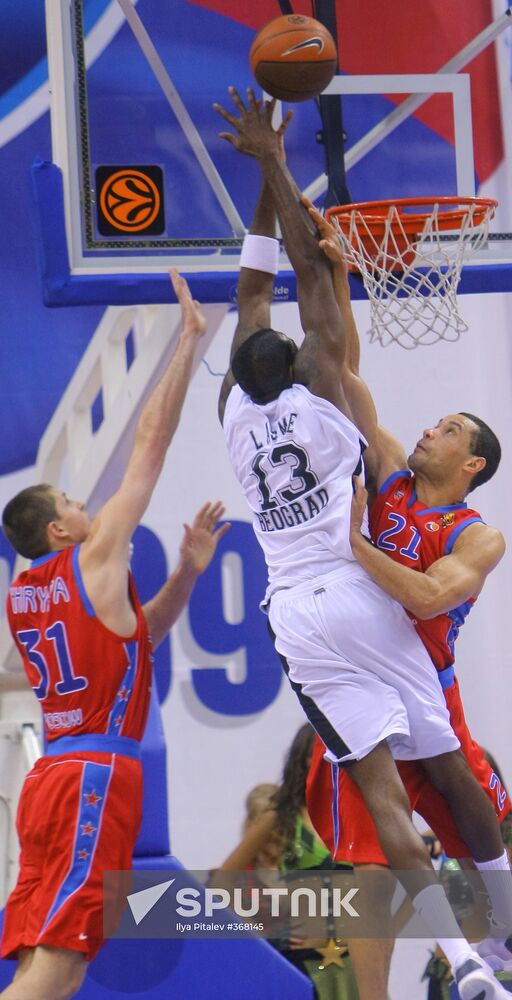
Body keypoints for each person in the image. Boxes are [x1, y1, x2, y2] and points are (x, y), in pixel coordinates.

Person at [214, 85, 511, 1000]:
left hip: (305, 613)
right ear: (307, 375)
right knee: (392, 825)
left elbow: (261, 289)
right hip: (357, 601)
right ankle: (459, 965)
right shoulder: (357, 435)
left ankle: (480, 955)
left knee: (434, 793)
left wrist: (267, 174)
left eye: (454, 427)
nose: (432, 429)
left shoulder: (230, 414)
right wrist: (279, 175)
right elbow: (315, 311)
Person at [298, 202, 512, 999]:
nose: (431, 429)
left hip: (427, 678)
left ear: (474, 463)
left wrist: (354, 546)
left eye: (450, 428)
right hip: (360, 677)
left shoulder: (477, 535)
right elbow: (347, 376)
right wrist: (342, 278)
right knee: (367, 856)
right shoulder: (386, 469)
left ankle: (498, 928)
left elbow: (427, 600)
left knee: (468, 798)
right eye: (436, 421)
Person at [0, 270, 229, 1000]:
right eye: (71, 497)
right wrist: (187, 342)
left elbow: (135, 640)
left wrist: (188, 573)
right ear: (60, 529)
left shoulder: (28, 593)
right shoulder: (90, 559)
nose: (85, 500)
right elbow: (150, 445)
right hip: (94, 776)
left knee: (48, 954)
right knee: (63, 960)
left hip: (53, 780)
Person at [217, 724, 360, 1000]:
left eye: (335, 751)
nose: (328, 758)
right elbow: (222, 881)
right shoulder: (280, 815)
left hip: (356, 960)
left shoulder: (356, 812)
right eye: (319, 751)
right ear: (302, 759)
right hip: (303, 962)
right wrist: (266, 932)